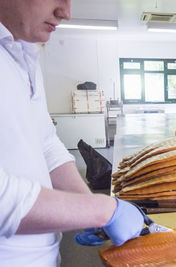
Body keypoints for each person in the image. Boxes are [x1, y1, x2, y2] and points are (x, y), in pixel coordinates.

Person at [0, 0, 144, 266]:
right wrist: (102, 210)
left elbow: (46, 143)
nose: (65, 12)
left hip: (43, 253)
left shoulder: (22, 53)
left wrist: (84, 201)